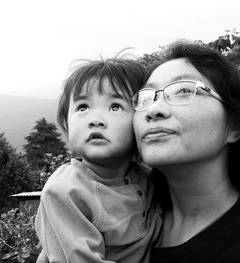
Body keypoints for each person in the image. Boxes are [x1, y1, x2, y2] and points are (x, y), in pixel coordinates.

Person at [132, 41, 240, 263]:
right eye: (146, 97)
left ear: (234, 126)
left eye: (184, 90)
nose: (153, 109)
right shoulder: (130, 210)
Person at [35, 56, 162, 263]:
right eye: (82, 107)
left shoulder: (149, 178)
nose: (95, 120)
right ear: (66, 124)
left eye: (115, 107)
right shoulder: (66, 191)